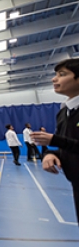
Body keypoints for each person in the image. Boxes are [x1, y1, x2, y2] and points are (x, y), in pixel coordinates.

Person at [30, 58, 79, 224]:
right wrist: (50, 154)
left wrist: (54, 140)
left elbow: (63, 141)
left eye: (62, 74)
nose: (54, 79)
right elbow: (67, 144)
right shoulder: (64, 112)